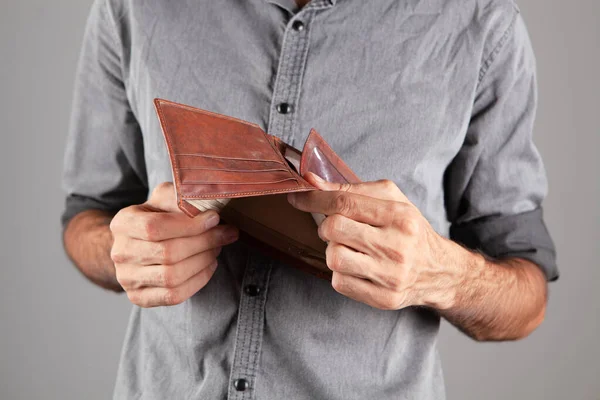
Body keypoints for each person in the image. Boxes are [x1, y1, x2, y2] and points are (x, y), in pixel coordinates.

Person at [61, 0, 558, 398]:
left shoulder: (480, 22)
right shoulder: (134, 8)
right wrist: (122, 251)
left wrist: (442, 274)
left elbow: (527, 298)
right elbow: (85, 214)